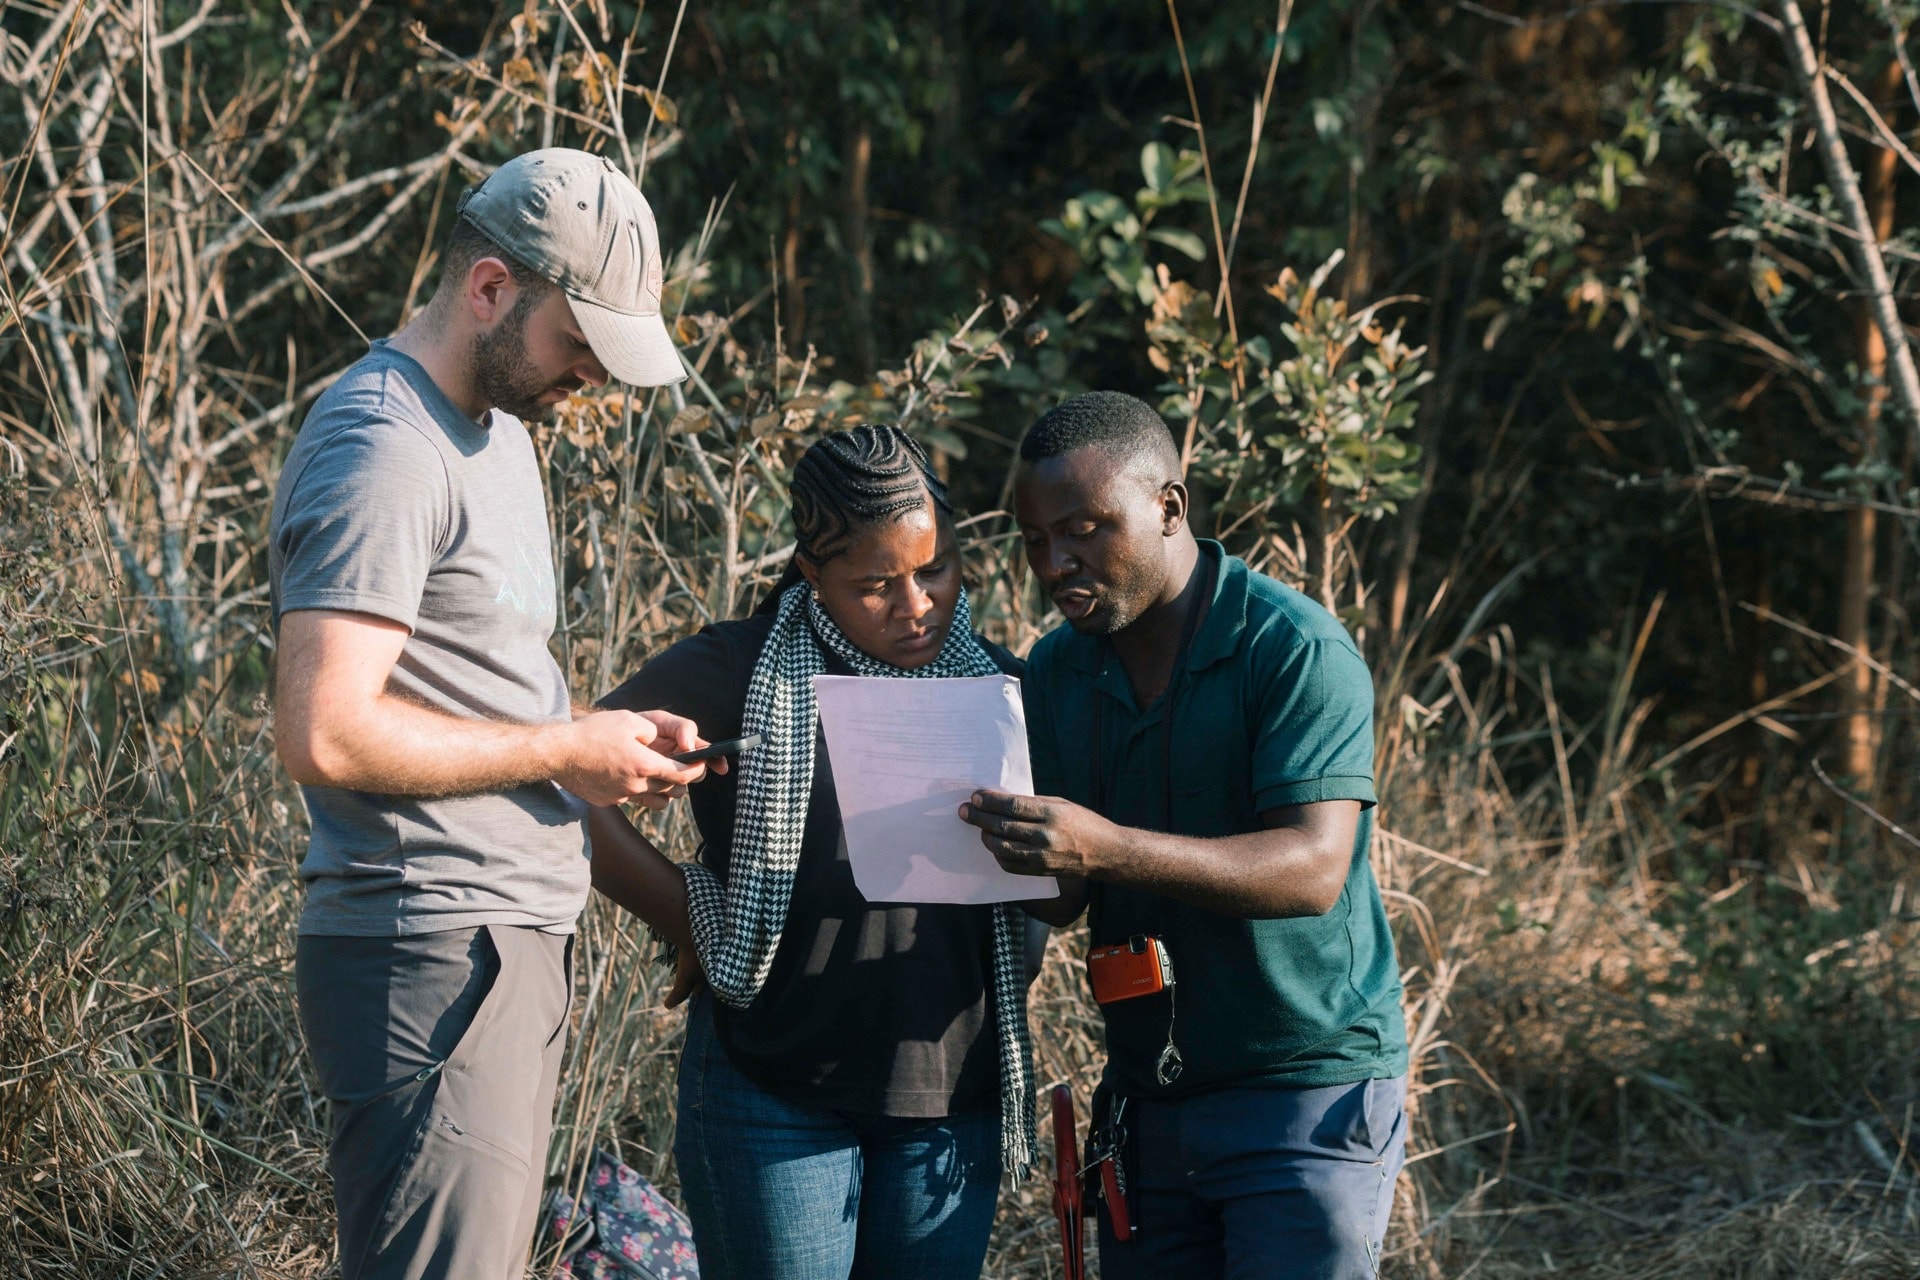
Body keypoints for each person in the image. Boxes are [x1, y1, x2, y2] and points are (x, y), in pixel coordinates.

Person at [269, 148, 705, 1280]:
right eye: (581, 343)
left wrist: (603, 750)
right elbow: (324, 728)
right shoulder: (385, 445)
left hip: (498, 949)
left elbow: (488, 682)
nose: (594, 379)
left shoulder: (502, 431)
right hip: (433, 949)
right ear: (491, 287)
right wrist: (565, 743)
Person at [960, 391, 1409, 1279]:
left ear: (1171, 508)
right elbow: (1061, 890)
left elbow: (1314, 868)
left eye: (1085, 528)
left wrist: (1105, 846)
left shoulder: (1293, 649)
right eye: (1036, 540)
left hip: (1305, 1095)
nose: (1057, 562)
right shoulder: (1058, 667)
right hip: (1146, 1101)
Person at [587, 425, 1040, 1280]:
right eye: (874, 585)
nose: (915, 605)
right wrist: (689, 917)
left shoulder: (1004, 687)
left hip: (950, 1107)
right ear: (811, 575)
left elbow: (1049, 884)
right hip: (772, 1094)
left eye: (934, 570)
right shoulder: (739, 669)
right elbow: (575, 783)